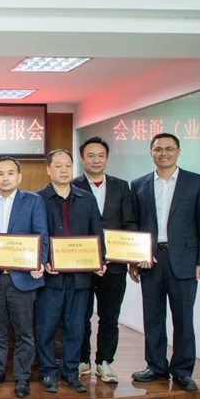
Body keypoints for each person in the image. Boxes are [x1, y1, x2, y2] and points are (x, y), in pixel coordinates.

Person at [129, 133, 200, 392]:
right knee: (152, 316)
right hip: (151, 260)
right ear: (151, 152)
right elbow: (134, 224)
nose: (163, 153)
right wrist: (135, 258)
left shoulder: (198, 182)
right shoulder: (139, 184)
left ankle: (182, 371)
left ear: (178, 151)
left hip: (185, 260)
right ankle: (155, 366)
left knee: (183, 318)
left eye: (169, 149)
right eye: (158, 149)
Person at [0, 157, 48, 399]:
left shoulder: (34, 201)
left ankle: (22, 376)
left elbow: (41, 235)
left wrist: (40, 261)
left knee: (24, 332)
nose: (5, 178)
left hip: (23, 278)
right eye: (0, 173)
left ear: (19, 177)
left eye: (10, 173)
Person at [36, 150, 105, 394]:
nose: (64, 170)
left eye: (68, 165)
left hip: (79, 277)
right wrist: (42, 259)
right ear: (48, 169)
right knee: (46, 327)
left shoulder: (86, 199)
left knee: (76, 328)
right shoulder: (38, 199)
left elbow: (97, 233)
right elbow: (34, 235)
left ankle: (70, 372)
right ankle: (47, 372)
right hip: (50, 276)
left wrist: (99, 259)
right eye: (58, 166)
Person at [73, 137, 137, 384]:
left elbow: (129, 223)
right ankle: (82, 360)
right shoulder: (73, 186)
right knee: (81, 316)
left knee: (110, 317)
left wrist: (133, 255)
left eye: (101, 155)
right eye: (90, 155)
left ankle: (105, 362)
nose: (96, 160)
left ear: (107, 159)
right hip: (83, 265)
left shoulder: (121, 187)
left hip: (114, 266)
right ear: (82, 159)